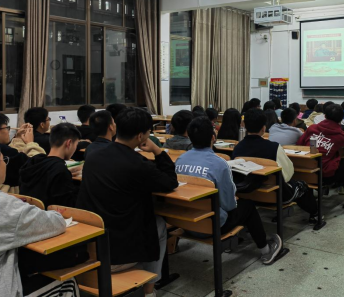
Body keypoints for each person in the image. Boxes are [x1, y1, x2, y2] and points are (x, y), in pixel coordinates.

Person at [76, 107, 178, 296]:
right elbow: (170, 182)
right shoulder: (138, 164)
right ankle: (149, 291)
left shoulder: (93, 156)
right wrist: (157, 151)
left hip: (89, 243)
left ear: (116, 127)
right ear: (141, 136)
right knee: (158, 224)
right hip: (116, 254)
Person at [175, 116, 283, 264]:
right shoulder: (219, 164)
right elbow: (229, 205)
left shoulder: (180, 160)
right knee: (247, 206)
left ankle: (238, 240)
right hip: (210, 226)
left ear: (189, 136)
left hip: (185, 222)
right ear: (213, 137)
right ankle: (265, 249)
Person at [0, 140, 69, 296]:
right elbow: (57, 223)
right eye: (3, 160)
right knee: (68, 283)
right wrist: (56, 213)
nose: (5, 164)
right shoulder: (1, 204)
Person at [234, 109, 320, 223]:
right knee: (302, 186)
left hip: (247, 194)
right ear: (264, 128)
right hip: (275, 196)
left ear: (244, 125)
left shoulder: (237, 148)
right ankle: (315, 215)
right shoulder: (274, 147)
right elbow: (288, 173)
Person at [0, 112, 44, 189]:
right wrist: (30, 143)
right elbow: (39, 166)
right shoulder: (1, 152)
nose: (8, 131)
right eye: (7, 128)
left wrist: (18, 138)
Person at [19, 123, 81, 208]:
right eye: (76, 145)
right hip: (48, 214)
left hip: (27, 211)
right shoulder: (60, 170)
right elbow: (67, 206)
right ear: (69, 143)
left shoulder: (32, 161)